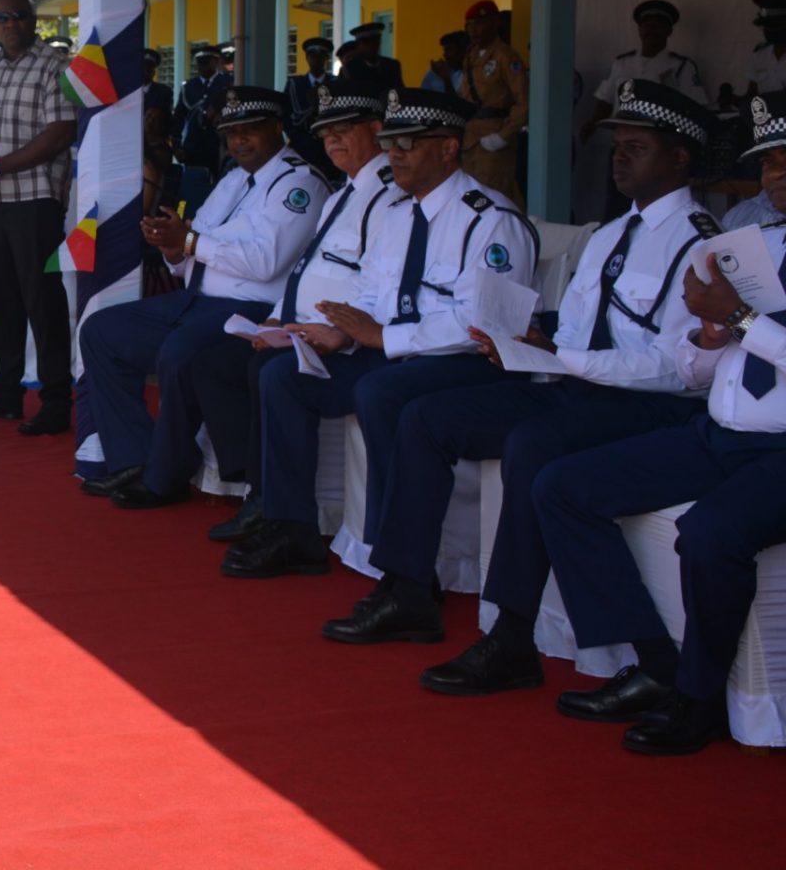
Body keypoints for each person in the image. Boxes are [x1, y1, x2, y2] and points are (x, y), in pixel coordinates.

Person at [331, 80, 717, 653]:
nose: (618, 157)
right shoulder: (611, 233)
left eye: (636, 147)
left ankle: (511, 634)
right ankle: (409, 588)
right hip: (571, 383)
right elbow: (580, 327)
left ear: (680, 157)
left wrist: (567, 357)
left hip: (644, 404)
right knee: (425, 418)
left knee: (532, 444)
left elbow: (681, 368)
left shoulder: (703, 246)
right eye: (617, 145)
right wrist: (532, 341)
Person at [533, 91, 786, 754]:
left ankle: (698, 700)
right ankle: (653, 664)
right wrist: (706, 339)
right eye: (768, 163)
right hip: (722, 432)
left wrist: (735, 320)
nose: (776, 174)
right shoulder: (754, 247)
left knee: (708, 535)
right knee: (562, 486)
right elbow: (700, 368)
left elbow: (757, 336)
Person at [222, 87, 537, 579]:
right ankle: (292, 527)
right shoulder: (396, 214)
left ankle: (400, 571)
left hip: (459, 363)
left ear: (450, 147)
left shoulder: (491, 221)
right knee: (283, 375)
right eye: (392, 141)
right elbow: (371, 292)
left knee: (379, 392)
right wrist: (340, 334)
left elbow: (486, 327)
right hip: (388, 352)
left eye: (410, 142)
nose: (396, 153)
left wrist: (380, 339)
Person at [77, 87, 326, 507]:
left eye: (250, 131)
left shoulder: (299, 184)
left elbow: (266, 262)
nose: (239, 141)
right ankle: (134, 457)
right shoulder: (232, 180)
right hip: (193, 301)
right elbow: (196, 249)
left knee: (181, 351)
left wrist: (189, 241)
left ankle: (164, 476)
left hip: (251, 311)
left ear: (278, 129)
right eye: (232, 134)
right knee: (102, 330)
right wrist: (174, 249)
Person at [186, 79, 395, 541]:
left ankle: (283, 517)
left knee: (271, 371)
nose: (333, 140)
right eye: (326, 133)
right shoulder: (343, 194)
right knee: (215, 362)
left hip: (348, 341)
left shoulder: (390, 198)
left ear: (377, 129)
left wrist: (328, 330)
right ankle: (255, 490)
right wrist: (278, 318)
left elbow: (379, 283)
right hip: (302, 328)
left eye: (345, 129)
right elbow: (304, 270)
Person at [0, 0, 77, 435]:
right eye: (2, 18)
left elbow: (59, 134)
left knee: (44, 304)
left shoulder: (55, 65)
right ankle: (6, 394)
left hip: (35, 201)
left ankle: (55, 401)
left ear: (33, 20)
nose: (10, 23)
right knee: (1, 302)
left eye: (18, 16)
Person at [579, 1, 707, 148]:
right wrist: (592, 123)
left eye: (657, 26)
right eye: (647, 26)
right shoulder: (622, 63)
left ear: (669, 31)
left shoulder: (681, 66)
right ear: (639, 29)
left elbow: (695, 107)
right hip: (621, 142)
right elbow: (606, 101)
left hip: (660, 144)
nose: (651, 30)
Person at [459, 0, 529, 207]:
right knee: (470, 195)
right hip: (471, 136)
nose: (474, 31)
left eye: (479, 24)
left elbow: (523, 101)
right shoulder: (470, 55)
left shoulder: (505, 56)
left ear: (495, 23)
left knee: (495, 198)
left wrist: (504, 136)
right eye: (469, 26)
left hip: (494, 135)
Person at [174, 45, 227, 203]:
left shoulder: (227, 82)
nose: (201, 66)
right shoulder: (189, 86)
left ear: (216, 62)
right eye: (199, 63)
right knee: (190, 191)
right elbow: (178, 117)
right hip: (194, 146)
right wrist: (176, 146)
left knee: (218, 188)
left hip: (219, 146)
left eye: (206, 62)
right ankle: (187, 217)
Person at [285, 36, 335, 174]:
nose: (316, 60)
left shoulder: (335, 84)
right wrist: (297, 137)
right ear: (307, 58)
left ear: (326, 59)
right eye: (312, 56)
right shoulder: (294, 84)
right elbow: (286, 115)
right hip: (301, 147)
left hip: (328, 147)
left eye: (321, 57)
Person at [745, 0, 786, 97]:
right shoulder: (759, 55)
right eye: (766, 27)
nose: (769, 31)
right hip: (767, 112)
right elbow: (752, 93)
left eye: (775, 27)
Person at [348, 21, 405, 90]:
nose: (372, 47)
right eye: (367, 43)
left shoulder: (392, 66)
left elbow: (400, 92)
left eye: (376, 42)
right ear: (359, 45)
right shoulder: (350, 68)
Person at [420, 31, 470, 95]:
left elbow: (456, 103)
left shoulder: (473, 73)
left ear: (463, 50)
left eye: (449, 49)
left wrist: (446, 79)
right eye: (444, 50)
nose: (444, 54)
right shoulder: (433, 74)